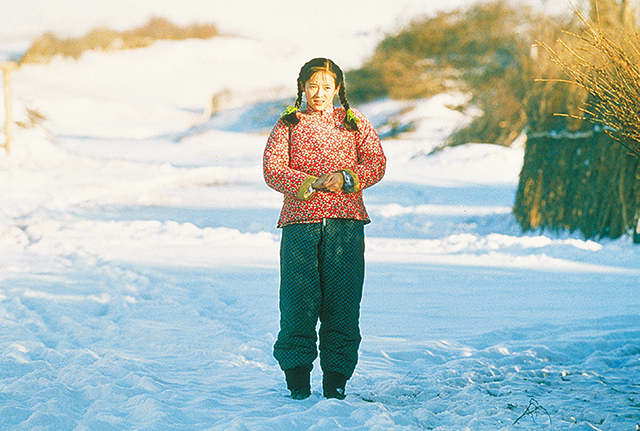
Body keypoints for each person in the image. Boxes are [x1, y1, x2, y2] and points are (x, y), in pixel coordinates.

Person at [263, 57, 386, 400]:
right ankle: (297, 379)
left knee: (343, 303)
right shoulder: (289, 123)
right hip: (300, 224)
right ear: (302, 87)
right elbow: (272, 168)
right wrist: (307, 183)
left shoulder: (354, 121)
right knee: (297, 301)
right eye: (313, 86)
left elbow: (376, 163)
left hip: (345, 225)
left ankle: (336, 380)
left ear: (338, 89)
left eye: (327, 86)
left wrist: (347, 178)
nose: (319, 93)